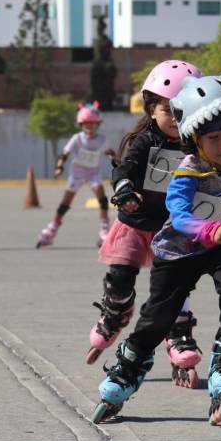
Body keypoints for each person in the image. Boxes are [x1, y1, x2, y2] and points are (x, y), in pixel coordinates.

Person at [91, 75, 221, 425]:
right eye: (214, 138)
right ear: (195, 139)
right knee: (157, 318)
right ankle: (125, 373)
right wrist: (211, 229)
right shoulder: (188, 171)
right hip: (178, 252)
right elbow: (179, 215)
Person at [86, 60, 206, 389]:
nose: (177, 119)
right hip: (135, 223)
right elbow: (125, 168)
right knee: (121, 276)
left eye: (185, 110)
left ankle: (178, 334)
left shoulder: (197, 144)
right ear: (151, 109)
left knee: (173, 288)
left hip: (174, 229)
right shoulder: (142, 142)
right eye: (169, 110)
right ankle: (116, 313)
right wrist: (124, 189)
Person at [36, 101, 115, 249]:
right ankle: (52, 229)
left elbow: (108, 153)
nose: (89, 127)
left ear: (97, 124)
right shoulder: (77, 139)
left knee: (102, 197)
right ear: (81, 126)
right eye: (86, 124)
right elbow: (64, 154)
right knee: (65, 203)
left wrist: (117, 163)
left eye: (92, 124)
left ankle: (104, 229)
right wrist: (59, 167)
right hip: (77, 173)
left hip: (93, 173)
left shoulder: (101, 139)